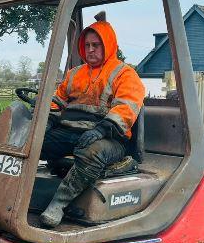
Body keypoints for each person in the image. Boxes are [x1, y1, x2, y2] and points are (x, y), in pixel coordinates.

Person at [39, 11, 146, 227]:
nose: (90, 50)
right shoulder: (75, 74)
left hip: (111, 138)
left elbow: (126, 107)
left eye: (96, 45)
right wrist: (47, 120)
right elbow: (57, 100)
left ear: (107, 45)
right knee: (34, 142)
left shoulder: (124, 74)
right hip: (73, 131)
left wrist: (101, 130)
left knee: (92, 152)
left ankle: (58, 204)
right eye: (87, 45)